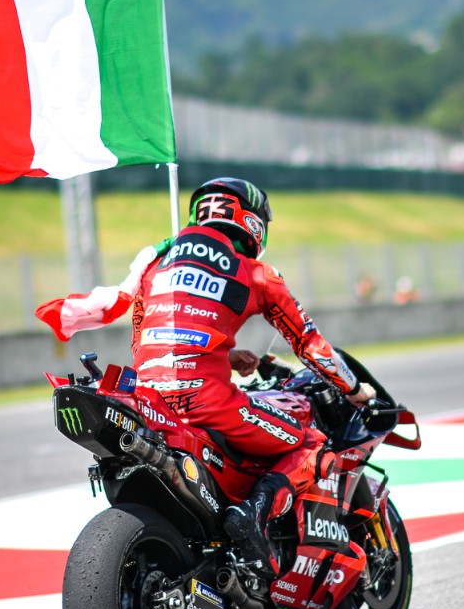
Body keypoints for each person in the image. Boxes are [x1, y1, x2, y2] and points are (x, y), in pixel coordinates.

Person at [36, 177, 374, 572]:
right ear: (252, 222)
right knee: (313, 445)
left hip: (149, 398)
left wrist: (224, 356)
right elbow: (309, 344)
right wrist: (354, 389)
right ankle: (251, 515)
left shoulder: (155, 264)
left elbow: (150, 339)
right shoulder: (256, 273)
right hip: (208, 402)